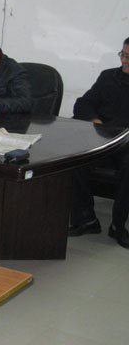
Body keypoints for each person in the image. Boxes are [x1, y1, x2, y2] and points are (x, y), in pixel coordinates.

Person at [69, 37, 129, 248]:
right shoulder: (108, 77)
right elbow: (83, 104)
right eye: (123, 55)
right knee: (73, 157)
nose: (124, 61)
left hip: (126, 145)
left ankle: (118, 226)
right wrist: (94, 120)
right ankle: (86, 220)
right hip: (101, 140)